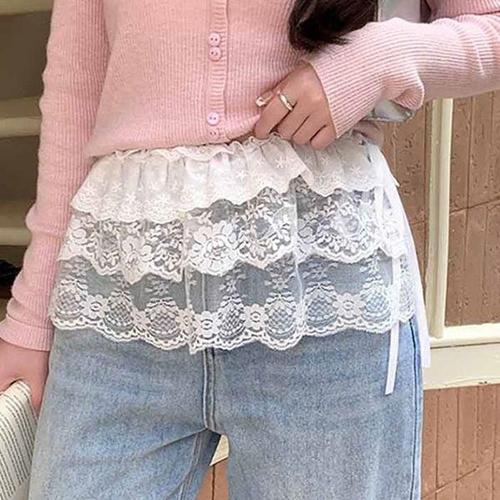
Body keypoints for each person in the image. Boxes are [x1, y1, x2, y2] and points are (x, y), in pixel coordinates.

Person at [0, 1, 499, 498]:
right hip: (122, 299)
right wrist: (30, 319)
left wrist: (378, 58)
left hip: (321, 299)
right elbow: (75, 96)